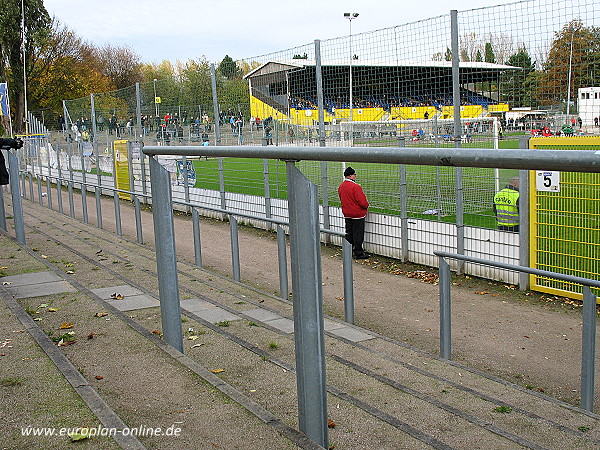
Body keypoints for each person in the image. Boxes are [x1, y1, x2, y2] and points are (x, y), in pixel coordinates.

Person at [338, 167, 370, 259]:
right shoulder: (355, 187)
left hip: (347, 213)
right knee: (358, 234)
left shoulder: (341, 186)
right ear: (351, 176)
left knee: (349, 233)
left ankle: (348, 251)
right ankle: (358, 252)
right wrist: (366, 205)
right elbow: (362, 201)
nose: (355, 176)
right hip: (357, 214)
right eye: (354, 174)